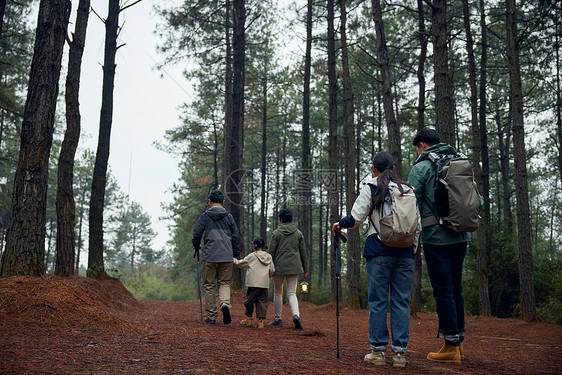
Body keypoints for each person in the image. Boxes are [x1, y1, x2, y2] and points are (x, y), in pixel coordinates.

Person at [332, 151, 420, 368]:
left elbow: (356, 218)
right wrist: (413, 250)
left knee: (378, 302)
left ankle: (378, 353)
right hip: (405, 253)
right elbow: (417, 224)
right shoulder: (408, 189)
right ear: (393, 168)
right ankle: (400, 354)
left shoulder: (371, 186)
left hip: (379, 251)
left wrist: (339, 225)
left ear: (374, 168)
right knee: (401, 302)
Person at [408, 127, 470, 363]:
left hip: (436, 238)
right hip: (461, 234)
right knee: (456, 288)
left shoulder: (422, 167)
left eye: (417, 147)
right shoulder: (460, 162)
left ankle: (450, 346)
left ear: (422, 145)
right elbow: (477, 199)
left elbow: (411, 203)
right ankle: (459, 343)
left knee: (443, 290)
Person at [192, 190, 240, 325]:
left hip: (210, 255)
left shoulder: (205, 216)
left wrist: (196, 246)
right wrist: (235, 253)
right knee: (224, 283)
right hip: (226, 255)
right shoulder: (229, 217)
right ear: (223, 202)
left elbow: (197, 234)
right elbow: (235, 237)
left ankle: (212, 316)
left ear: (210, 201)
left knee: (209, 285)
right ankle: (225, 304)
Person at [267, 208, 308, 329]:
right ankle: (296, 315)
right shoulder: (298, 233)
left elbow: (271, 253)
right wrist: (305, 269)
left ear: (280, 220)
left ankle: (278, 319)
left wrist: (268, 267)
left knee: (277, 292)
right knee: (291, 293)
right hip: (294, 266)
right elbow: (303, 253)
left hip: (278, 266)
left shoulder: (276, 233)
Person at [233, 237, 275, 329]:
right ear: (263, 246)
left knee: (250, 301)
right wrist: (268, 275)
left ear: (254, 246)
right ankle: (260, 321)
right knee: (262, 302)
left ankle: (248, 319)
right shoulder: (269, 256)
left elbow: (240, 263)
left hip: (253, 284)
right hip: (264, 284)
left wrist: (232, 259)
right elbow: (272, 270)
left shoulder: (252, 256)